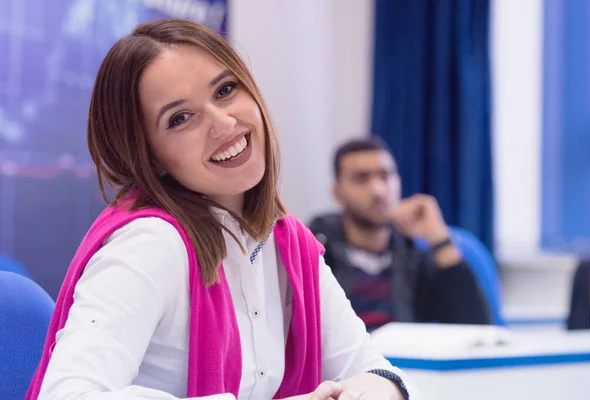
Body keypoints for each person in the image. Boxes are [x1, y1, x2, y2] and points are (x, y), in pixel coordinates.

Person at [26, 20, 418, 400]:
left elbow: (373, 368)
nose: (223, 122)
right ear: (150, 157)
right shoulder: (150, 244)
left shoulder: (287, 241)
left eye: (226, 90)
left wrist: (373, 392)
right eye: (180, 119)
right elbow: (67, 394)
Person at [309, 138, 491, 331]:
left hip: (403, 360)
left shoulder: (413, 258)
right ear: (337, 192)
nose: (377, 190)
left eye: (385, 176)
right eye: (361, 179)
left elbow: (477, 330)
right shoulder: (316, 253)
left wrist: (439, 239)